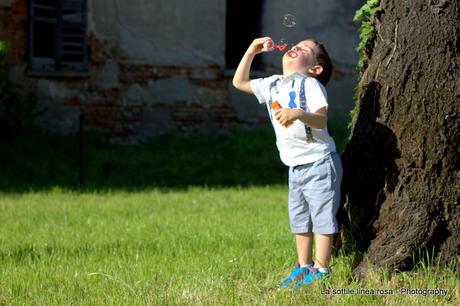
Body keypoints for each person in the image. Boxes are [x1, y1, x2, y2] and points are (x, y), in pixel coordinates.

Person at [232, 37, 343, 288]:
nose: (295, 47)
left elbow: (321, 120)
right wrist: (251, 50)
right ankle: (303, 268)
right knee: (300, 219)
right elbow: (239, 82)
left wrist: (298, 113)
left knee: (322, 217)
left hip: (320, 163)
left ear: (315, 69)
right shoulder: (272, 84)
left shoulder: (311, 85)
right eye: (296, 45)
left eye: (305, 49)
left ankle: (322, 269)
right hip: (294, 166)